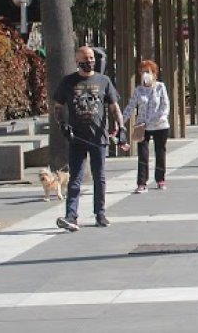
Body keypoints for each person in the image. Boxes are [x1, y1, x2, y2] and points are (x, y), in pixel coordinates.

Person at [54, 46, 122, 231]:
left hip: (98, 138)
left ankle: (100, 213)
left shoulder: (103, 81)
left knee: (99, 177)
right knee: (75, 177)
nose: (90, 61)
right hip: (77, 137)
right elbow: (58, 106)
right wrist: (62, 124)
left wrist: (121, 128)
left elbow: (114, 106)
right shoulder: (68, 82)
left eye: (91, 57)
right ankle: (71, 216)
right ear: (77, 61)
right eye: (85, 58)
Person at [122, 59, 171, 193]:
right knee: (143, 155)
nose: (145, 74)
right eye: (142, 72)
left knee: (160, 152)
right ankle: (142, 183)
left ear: (154, 73)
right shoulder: (139, 90)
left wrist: (162, 117)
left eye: (148, 72)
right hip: (143, 126)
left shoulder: (160, 87)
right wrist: (121, 120)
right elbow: (131, 106)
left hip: (160, 125)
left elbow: (165, 104)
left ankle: (160, 179)